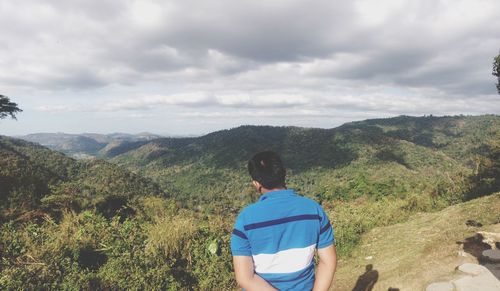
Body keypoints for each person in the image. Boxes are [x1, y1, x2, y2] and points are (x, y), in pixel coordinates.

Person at [231, 151, 337, 291]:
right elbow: (328, 262)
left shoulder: (245, 220)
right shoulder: (314, 210)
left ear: (256, 184)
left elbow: (245, 278)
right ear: (284, 173)